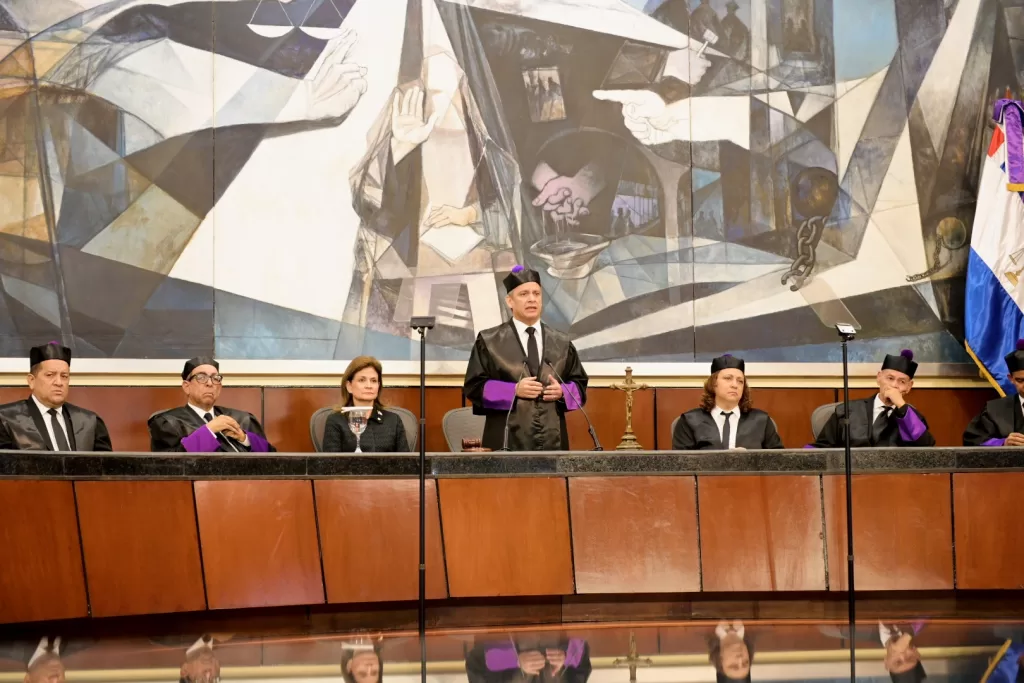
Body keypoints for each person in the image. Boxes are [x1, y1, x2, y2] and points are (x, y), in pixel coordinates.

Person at [463, 265, 589, 451]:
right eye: (523, 294)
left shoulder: (561, 342)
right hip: (505, 439)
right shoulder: (489, 341)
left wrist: (562, 391)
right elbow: (474, 387)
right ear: (510, 301)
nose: (532, 299)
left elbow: (579, 384)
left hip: (553, 439)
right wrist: (513, 390)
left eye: (536, 294)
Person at [0, 343, 112, 451]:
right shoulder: (6, 419)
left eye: (64, 376)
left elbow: (106, 463)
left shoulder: (90, 422)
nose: (59, 382)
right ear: (31, 381)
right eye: (50, 375)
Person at [811, 350, 934, 448]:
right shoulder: (846, 411)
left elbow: (926, 449)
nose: (894, 385)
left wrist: (901, 406)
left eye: (902, 382)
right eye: (890, 378)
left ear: (908, 387)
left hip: (893, 472)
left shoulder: (912, 418)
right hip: (850, 471)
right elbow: (821, 449)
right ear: (879, 377)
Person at [149, 357, 273, 453]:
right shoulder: (169, 422)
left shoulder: (242, 419)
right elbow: (169, 464)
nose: (210, 383)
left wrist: (244, 439)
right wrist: (209, 431)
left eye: (215, 378)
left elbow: (271, 459)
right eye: (201, 377)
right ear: (187, 387)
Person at [673, 355, 783, 450]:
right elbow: (680, 464)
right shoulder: (689, 421)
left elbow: (779, 461)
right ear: (713, 383)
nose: (735, 385)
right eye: (728, 378)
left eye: (740, 381)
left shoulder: (762, 421)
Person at [322, 356, 410, 452]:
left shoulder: (394, 420)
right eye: (362, 380)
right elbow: (331, 461)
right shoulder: (336, 421)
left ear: (378, 386)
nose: (369, 386)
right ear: (349, 386)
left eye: (373, 381)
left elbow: (406, 460)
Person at [964, 340, 1024, 446]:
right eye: (1020, 380)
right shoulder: (995, 410)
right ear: (1011, 379)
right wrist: (1003, 443)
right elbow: (973, 440)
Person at [465, 636, 591, 683]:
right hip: (556, 605)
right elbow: (582, 661)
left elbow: (475, 662)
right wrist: (567, 656)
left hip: (506, 605)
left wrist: (515, 659)